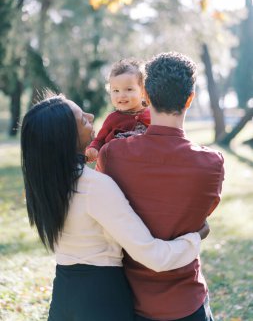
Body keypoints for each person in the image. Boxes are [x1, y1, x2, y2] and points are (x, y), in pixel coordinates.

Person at [20, 91, 210, 321]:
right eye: (82, 119)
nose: (91, 116)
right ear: (65, 137)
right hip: (101, 300)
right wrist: (195, 238)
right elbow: (154, 257)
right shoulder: (94, 187)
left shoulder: (41, 186)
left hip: (63, 296)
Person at [97, 52, 225, 321]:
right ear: (190, 98)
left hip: (129, 300)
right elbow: (201, 219)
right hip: (187, 300)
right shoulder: (212, 163)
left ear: (145, 94)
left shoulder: (112, 154)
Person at [86, 58, 150, 162]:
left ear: (143, 90)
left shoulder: (151, 115)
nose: (121, 95)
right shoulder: (113, 118)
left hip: (144, 166)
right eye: (116, 90)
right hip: (118, 166)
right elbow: (100, 140)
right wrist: (93, 148)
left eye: (129, 89)